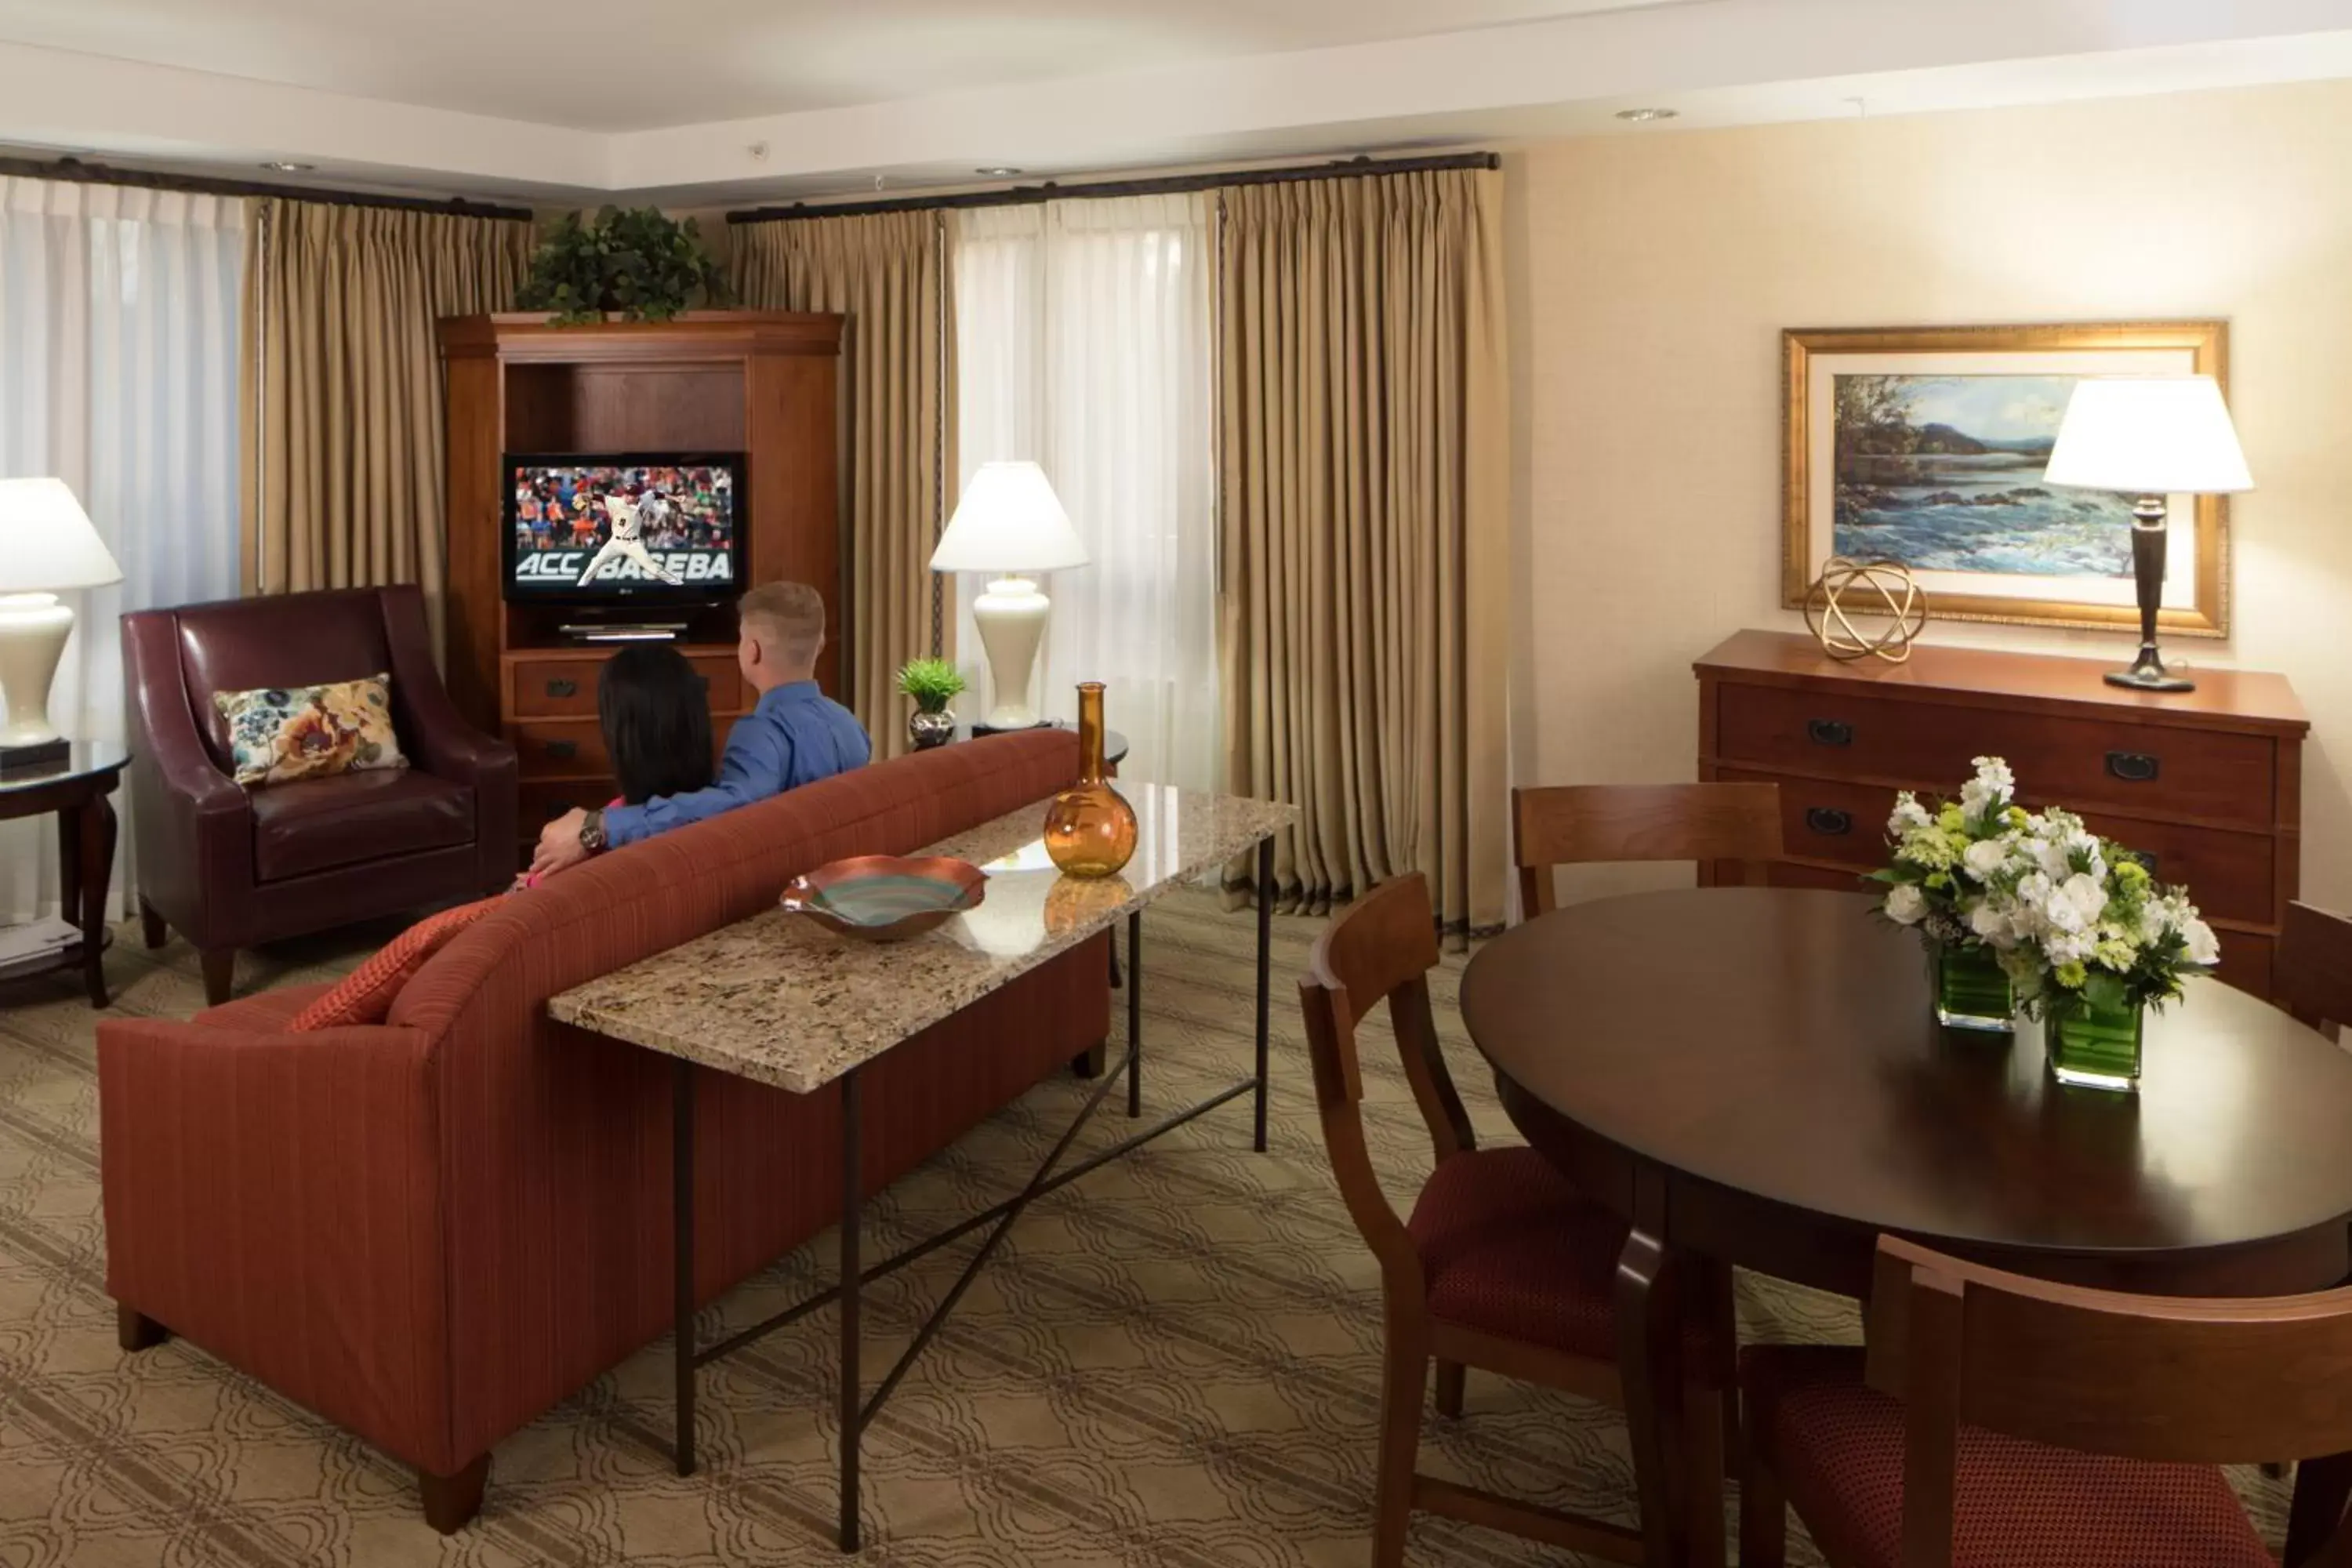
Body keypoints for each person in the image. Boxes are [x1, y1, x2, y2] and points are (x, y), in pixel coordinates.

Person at [529, 581, 869, 877]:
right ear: (820, 645)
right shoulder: (849, 724)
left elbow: (728, 813)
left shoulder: (760, 732)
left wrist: (601, 826)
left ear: (752, 652)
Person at [517, 644, 715, 888]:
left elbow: (529, 901)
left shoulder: (585, 841)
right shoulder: (731, 812)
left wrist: (526, 886)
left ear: (619, 738)